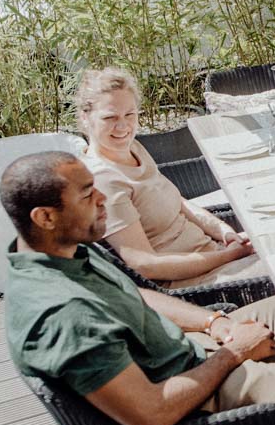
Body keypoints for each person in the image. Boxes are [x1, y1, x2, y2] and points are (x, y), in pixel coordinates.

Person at [0, 150, 275, 425]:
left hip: (199, 351)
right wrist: (234, 353)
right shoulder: (64, 317)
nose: (102, 199)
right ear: (45, 216)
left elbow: (137, 297)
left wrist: (216, 323)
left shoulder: (58, 250)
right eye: (87, 194)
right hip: (205, 406)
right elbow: (151, 415)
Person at [77, 67, 257, 288]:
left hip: (215, 254)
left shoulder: (132, 147)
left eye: (130, 114)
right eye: (109, 117)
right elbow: (145, 265)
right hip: (199, 282)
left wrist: (224, 232)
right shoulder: (103, 180)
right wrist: (229, 256)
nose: (123, 126)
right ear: (85, 118)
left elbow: (177, 202)